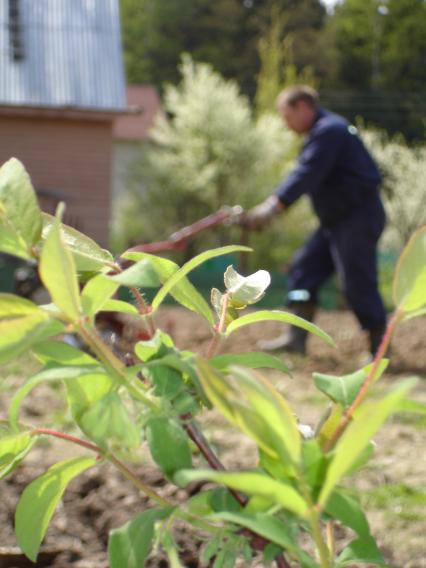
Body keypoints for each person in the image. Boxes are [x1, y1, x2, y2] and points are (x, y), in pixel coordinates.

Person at [242, 85, 387, 358]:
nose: (287, 125)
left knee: (357, 282)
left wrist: (273, 206)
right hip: (335, 222)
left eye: (287, 117)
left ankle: (379, 347)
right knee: (303, 270)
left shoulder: (330, 131)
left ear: (304, 107)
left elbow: (307, 173)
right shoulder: (323, 134)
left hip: (357, 216)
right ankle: (296, 338)